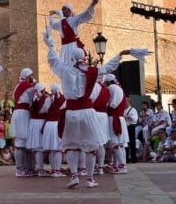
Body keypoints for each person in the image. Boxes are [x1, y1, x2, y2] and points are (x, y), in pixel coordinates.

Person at [43, 25, 131, 188]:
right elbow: (108, 67)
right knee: (91, 146)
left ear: (71, 58)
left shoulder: (64, 69)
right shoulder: (93, 71)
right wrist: (120, 55)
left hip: (71, 112)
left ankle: (74, 176)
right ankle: (90, 179)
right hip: (88, 112)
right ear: (83, 56)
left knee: (70, 144)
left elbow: (53, 60)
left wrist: (50, 45)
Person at [49, 0, 101, 65]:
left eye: (65, 9)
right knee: (64, 65)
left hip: (73, 46)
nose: (63, 11)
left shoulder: (74, 19)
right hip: (64, 48)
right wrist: (51, 16)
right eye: (62, 9)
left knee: (74, 64)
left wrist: (92, 4)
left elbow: (84, 14)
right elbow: (53, 25)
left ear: (70, 11)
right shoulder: (60, 22)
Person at [10, 67, 36, 177]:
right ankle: (19, 169)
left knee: (25, 142)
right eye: (31, 75)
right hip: (22, 114)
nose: (32, 77)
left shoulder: (19, 85)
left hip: (21, 113)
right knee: (21, 142)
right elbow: (35, 97)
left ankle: (27, 168)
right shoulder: (26, 86)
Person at [105, 74, 129, 174]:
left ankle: (122, 165)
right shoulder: (119, 88)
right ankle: (117, 165)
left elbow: (112, 104)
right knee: (119, 143)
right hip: (119, 118)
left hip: (114, 118)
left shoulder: (112, 88)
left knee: (114, 143)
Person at [41, 83, 66, 177]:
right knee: (58, 149)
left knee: (52, 149)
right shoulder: (63, 99)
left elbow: (44, 110)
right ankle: (57, 170)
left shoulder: (48, 99)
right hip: (57, 124)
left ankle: (53, 169)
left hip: (48, 124)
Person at [26, 82, 49, 177]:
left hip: (33, 123)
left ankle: (37, 168)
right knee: (40, 147)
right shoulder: (45, 99)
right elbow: (48, 110)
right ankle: (40, 169)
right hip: (41, 122)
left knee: (37, 147)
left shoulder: (32, 98)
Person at [124, 96, 138, 164]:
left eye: (126, 100)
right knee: (125, 143)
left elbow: (135, 119)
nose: (125, 102)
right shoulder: (123, 109)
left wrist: (128, 116)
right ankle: (126, 159)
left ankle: (134, 159)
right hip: (124, 127)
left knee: (132, 143)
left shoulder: (133, 110)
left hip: (131, 127)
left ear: (129, 101)